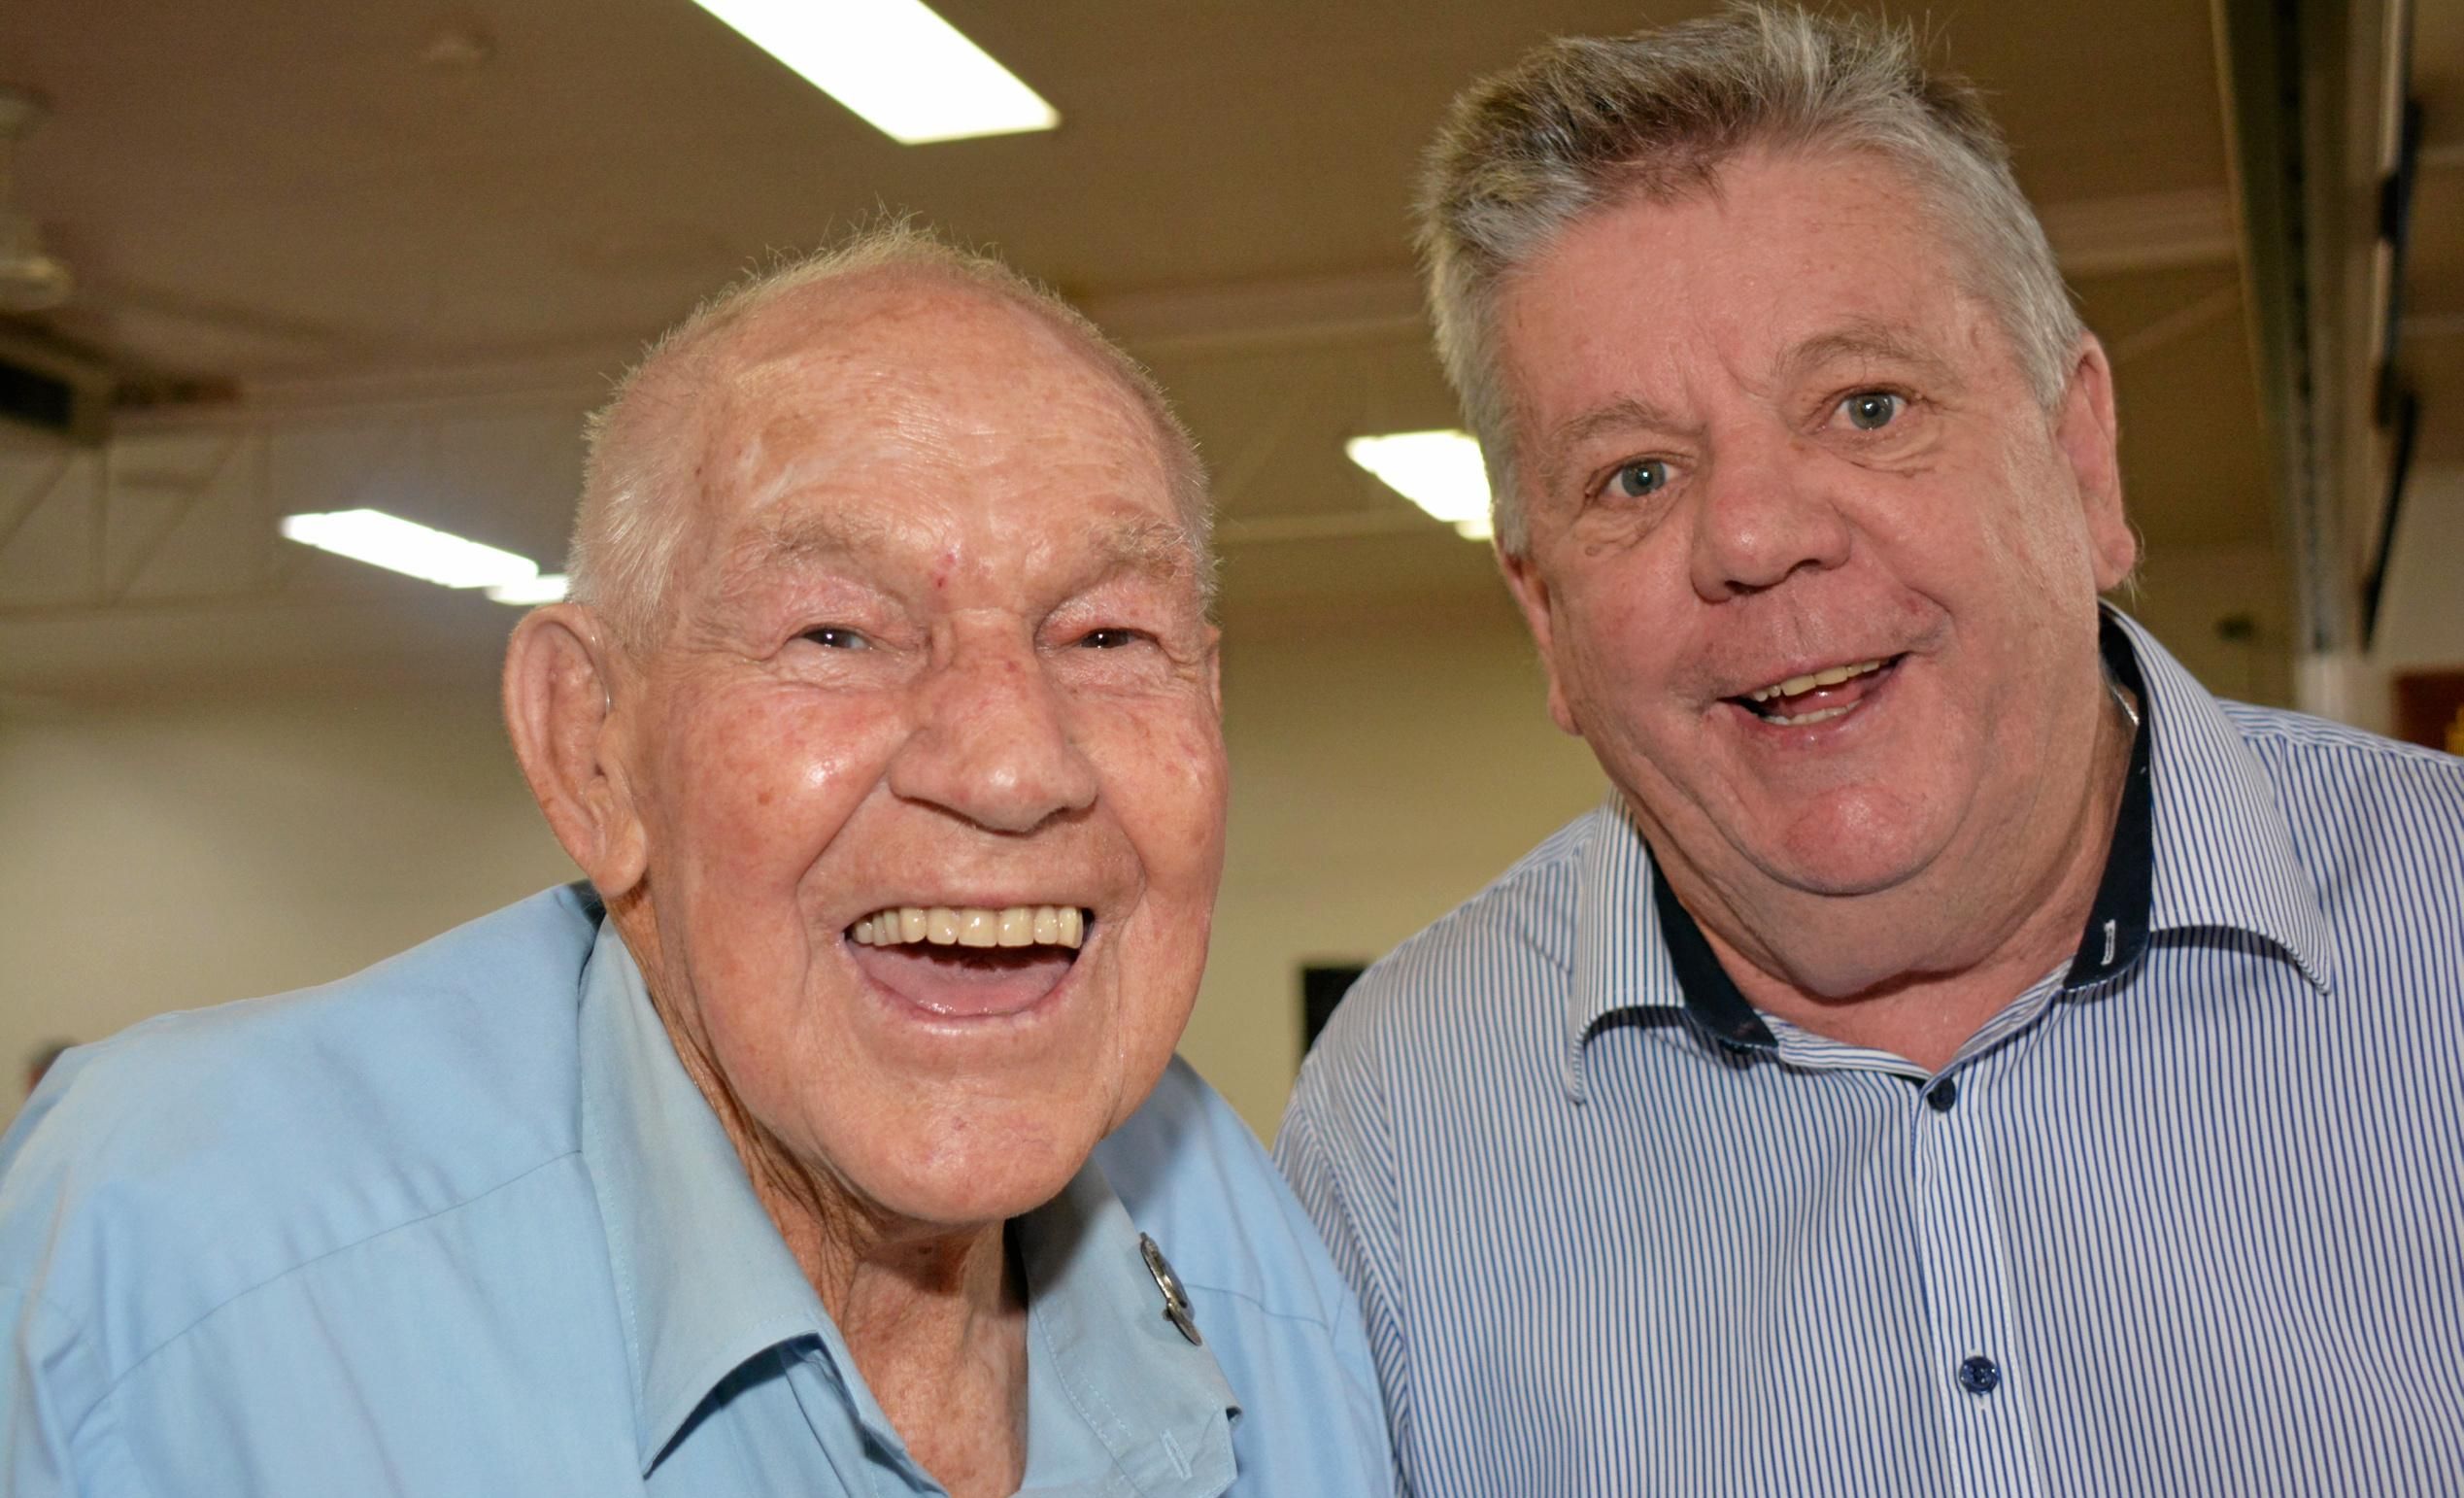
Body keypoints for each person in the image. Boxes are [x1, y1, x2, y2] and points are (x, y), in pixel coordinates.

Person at [1276, 7, 2464, 1494]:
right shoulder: (1396, 1125)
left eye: (1866, 405)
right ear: (1543, 612)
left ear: (2081, 457)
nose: (1757, 536)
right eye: (1633, 473)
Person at [0, 226, 1389, 1497]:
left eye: (1105, 637)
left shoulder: (1253, 1261)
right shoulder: (171, 1270)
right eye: (835, 633)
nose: (1014, 763)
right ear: (591, 747)